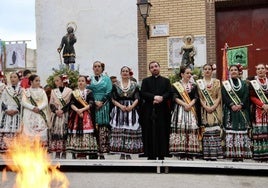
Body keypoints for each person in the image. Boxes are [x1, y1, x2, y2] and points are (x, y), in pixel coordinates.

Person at [110, 66, 143, 159]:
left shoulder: (134, 85)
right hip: (119, 108)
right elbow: (112, 98)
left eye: (126, 71)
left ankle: (128, 152)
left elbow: (137, 98)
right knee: (120, 130)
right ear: (120, 73)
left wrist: (132, 107)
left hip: (131, 109)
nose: (125, 73)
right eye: (123, 71)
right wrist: (120, 106)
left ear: (129, 73)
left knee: (129, 130)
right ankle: (121, 153)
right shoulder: (116, 85)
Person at [140, 61, 171, 160]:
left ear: (159, 67)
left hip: (163, 110)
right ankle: (150, 155)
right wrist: (154, 97)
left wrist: (162, 98)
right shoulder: (146, 81)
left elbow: (169, 92)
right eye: (152, 67)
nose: (154, 68)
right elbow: (143, 93)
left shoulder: (166, 81)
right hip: (149, 110)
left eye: (156, 66)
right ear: (149, 70)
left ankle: (162, 154)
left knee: (162, 131)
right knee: (150, 132)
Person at [169, 66, 201, 160]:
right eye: (187, 73)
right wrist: (185, 104)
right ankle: (181, 153)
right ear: (182, 74)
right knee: (180, 128)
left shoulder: (193, 85)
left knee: (191, 128)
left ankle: (190, 152)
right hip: (180, 109)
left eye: (190, 73)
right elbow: (174, 97)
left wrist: (190, 104)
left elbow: (196, 97)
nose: (189, 75)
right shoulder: (176, 85)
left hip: (191, 109)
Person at [222, 65, 252, 161]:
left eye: (235, 70)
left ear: (239, 72)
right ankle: (232, 154)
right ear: (229, 72)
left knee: (242, 132)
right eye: (232, 70)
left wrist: (240, 105)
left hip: (241, 110)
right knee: (231, 132)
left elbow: (246, 95)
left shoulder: (244, 84)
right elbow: (225, 96)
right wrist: (231, 105)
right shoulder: (225, 84)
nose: (234, 71)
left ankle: (241, 154)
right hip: (230, 111)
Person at [66, 75, 98, 159]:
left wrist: (82, 110)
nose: (80, 82)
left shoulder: (89, 92)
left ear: (86, 83)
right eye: (79, 81)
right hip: (76, 116)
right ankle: (78, 153)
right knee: (76, 132)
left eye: (82, 81)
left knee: (86, 132)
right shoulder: (74, 93)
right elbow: (71, 104)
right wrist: (77, 110)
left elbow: (91, 103)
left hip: (86, 115)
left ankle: (85, 152)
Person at [197, 64, 223, 161]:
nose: (207, 71)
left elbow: (219, 96)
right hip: (204, 109)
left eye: (209, 69)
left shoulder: (217, 82)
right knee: (205, 130)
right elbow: (199, 97)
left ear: (212, 71)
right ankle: (206, 153)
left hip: (215, 107)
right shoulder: (199, 83)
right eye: (205, 69)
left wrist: (214, 106)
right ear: (203, 71)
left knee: (215, 130)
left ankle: (216, 153)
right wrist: (206, 106)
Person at [87, 61, 112, 159]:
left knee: (102, 127)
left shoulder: (107, 79)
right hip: (92, 104)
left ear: (102, 68)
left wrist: (101, 102)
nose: (97, 68)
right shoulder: (89, 79)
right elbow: (87, 91)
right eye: (95, 66)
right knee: (92, 127)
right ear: (92, 68)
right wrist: (94, 101)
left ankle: (102, 151)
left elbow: (109, 91)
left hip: (104, 104)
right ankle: (93, 151)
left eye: (99, 66)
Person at [21, 74, 49, 146]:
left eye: (39, 81)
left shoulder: (42, 91)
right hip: (29, 114)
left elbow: (45, 102)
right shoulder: (26, 91)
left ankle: (39, 151)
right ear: (31, 82)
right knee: (29, 133)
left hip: (40, 113)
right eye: (36, 81)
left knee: (40, 133)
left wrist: (39, 108)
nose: (38, 82)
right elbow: (23, 102)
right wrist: (32, 108)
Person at [48, 75, 72, 159]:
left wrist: (62, 110)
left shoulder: (69, 91)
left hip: (65, 113)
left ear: (62, 81)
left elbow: (70, 103)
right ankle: (57, 151)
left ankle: (64, 151)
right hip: (56, 114)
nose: (56, 82)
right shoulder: (54, 91)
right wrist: (55, 111)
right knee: (56, 132)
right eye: (55, 81)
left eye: (57, 80)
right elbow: (51, 103)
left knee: (64, 132)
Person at [249, 64, 268, 161]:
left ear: (266, 70)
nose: (260, 70)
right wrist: (262, 105)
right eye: (258, 69)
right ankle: (260, 155)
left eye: (262, 68)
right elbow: (252, 96)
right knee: (259, 133)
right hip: (258, 110)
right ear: (256, 71)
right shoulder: (253, 82)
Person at [0, 72, 22, 152]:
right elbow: (2, 101)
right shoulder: (6, 89)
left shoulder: (22, 90)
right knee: (7, 128)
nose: (13, 79)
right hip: (7, 113)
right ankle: (5, 148)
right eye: (11, 77)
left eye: (15, 77)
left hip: (17, 113)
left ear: (18, 79)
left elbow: (23, 102)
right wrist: (6, 110)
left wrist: (16, 110)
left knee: (17, 130)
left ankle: (15, 148)